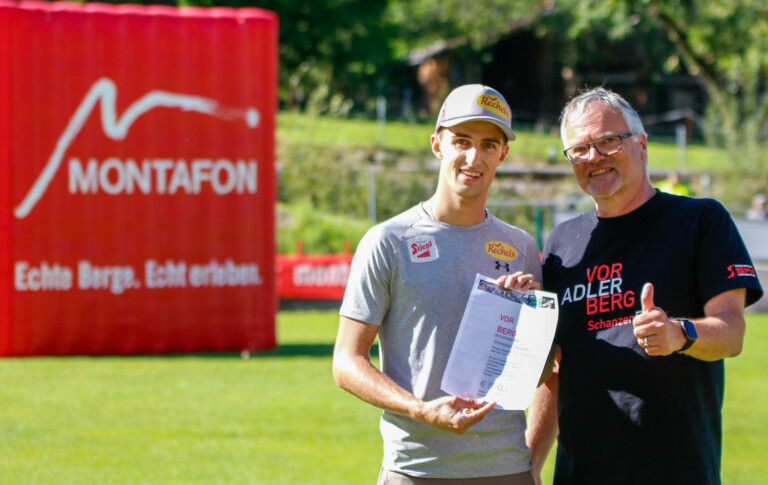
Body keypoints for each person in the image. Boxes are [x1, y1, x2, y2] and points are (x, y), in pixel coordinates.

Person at [526, 87, 764, 484]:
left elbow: (732, 332)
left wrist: (679, 334)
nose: (594, 157)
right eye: (579, 149)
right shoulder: (560, 244)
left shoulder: (700, 220)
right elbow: (556, 369)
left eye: (608, 141)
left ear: (641, 145)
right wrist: (530, 466)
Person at [333, 84, 545, 484]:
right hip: (416, 468)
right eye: (461, 141)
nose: (473, 157)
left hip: (506, 468)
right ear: (437, 145)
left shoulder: (521, 247)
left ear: (503, 154)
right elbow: (346, 362)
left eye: (487, 145)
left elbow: (542, 370)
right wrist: (420, 410)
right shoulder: (389, 241)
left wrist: (532, 323)